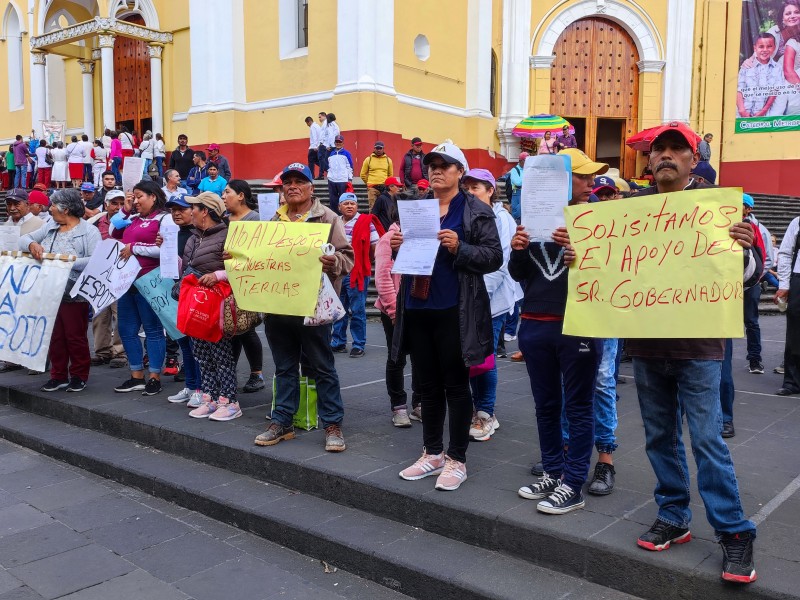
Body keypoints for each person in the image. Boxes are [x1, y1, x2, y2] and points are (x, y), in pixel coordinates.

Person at [626, 122, 759, 583]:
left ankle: (735, 533)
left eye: (674, 149)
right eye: (657, 150)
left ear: (691, 159)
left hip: (699, 346)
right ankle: (674, 514)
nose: (664, 156)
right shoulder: (629, 211)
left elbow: (751, 274)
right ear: (649, 161)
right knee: (659, 437)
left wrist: (743, 252)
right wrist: (580, 259)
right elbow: (610, 269)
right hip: (645, 345)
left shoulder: (720, 209)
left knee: (706, 439)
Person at [394, 142, 502, 491]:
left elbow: (493, 257)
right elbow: (404, 250)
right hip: (418, 305)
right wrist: (396, 244)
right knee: (426, 386)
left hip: (456, 310)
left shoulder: (475, 209)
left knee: (456, 385)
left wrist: (461, 247)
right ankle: (433, 453)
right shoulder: (416, 207)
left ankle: (457, 459)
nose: (436, 171)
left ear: (460, 172)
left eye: (445, 165)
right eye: (431, 166)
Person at [513, 148, 606, 515]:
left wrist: (585, 252)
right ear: (563, 181)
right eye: (584, 177)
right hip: (534, 324)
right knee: (546, 406)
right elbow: (522, 275)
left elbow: (612, 273)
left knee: (579, 408)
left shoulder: (598, 220)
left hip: (578, 326)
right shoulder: (531, 218)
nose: (592, 183)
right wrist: (518, 250)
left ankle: (573, 483)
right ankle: (553, 471)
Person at [254, 163, 354, 453]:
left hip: (313, 307)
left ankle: (332, 424)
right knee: (284, 367)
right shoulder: (272, 221)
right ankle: (282, 421)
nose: (293, 186)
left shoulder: (329, 218)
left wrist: (334, 262)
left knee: (322, 366)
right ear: (282, 188)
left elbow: (348, 257)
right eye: (288, 182)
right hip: (278, 305)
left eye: (300, 181)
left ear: (312, 188)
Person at [21, 189, 101, 392]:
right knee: (54, 335)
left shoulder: (89, 231)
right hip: (49, 289)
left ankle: (78, 375)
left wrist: (64, 262)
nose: (50, 209)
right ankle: (58, 375)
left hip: (74, 293)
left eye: (53, 205)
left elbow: (95, 260)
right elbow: (23, 239)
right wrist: (31, 244)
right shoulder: (51, 226)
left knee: (75, 335)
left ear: (65, 209)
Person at [461, 168, 516, 443]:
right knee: (473, 357)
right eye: (467, 188)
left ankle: (486, 413)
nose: (470, 192)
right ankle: (475, 410)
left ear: (491, 190)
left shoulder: (501, 219)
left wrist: (478, 297)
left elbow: (500, 263)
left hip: (491, 301)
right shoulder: (468, 215)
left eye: (476, 188)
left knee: (488, 358)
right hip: (470, 299)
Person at [177, 192, 242, 421]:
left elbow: (243, 266)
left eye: (194, 207)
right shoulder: (194, 237)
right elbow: (187, 265)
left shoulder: (228, 235)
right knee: (202, 354)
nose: (190, 211)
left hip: (217, 305)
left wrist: (219, 275)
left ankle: (229, 401)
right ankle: (210, 398)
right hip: (197, 303)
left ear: (205, 211)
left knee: (221, 354)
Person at [110, 180, 168, 396]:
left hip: (149, 281)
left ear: (153, 196)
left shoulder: (164, 219)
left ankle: (154, 375)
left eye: (139, 196)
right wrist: (125, 209)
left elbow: (164, 251)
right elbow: (114, 230)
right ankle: (136, 375)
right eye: (133, 197)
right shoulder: (133, 219)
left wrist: (135, 248)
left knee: (152, 330)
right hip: (127, 282)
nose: (136, 201)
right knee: (126, 329)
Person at [374, 209, 421, 426]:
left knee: (422, 358)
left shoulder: (424, 237)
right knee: (397, 358)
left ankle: (419, 403)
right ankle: (399, 406)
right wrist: (394, 311)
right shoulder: (388, 239)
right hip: (395, 310)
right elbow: (383, 277)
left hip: (420, 308)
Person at [157, 193, 202, 403]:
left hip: (195, 294)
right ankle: (191, 385)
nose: (176, 213)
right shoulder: (172, 234)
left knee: (196, 346)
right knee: (183, 341)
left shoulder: (199, 234)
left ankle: (200, 388)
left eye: (181, 209)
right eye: (173, 210)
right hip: (176, 292)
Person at [221, 179, 266, 393]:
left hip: (248, 280)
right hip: (225, 282)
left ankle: (256, 374)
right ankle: (229, 372)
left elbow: (264, 252)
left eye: (227, 192)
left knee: (246, 328)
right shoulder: (223, 220)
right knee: (232, 329)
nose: (223, 196)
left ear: (241, 195)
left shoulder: (256, 219)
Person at [331, 192, 384, 358]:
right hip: (339, 272)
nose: (349, 206)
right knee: (339, 309)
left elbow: (377, 245)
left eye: (352, 203)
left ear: (357, 206)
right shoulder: (335, 222)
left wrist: (366, 261)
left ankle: (358, 344)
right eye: (345, 203)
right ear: (339, 206)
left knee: (357, 310)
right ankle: (338, 342)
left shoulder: (365, 222)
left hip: (357, 272)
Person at [90, 189, 128, 369]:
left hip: (120, 273)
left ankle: (120, 352)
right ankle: (102, 351)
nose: (118, 207)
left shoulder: (128, 221)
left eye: (122, 203)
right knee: (99, 314)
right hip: (99, 273)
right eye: (114, 203)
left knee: (120, 314)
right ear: (106, 204)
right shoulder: (95, 222)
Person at [742, 193, 772, 375]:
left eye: (741, 204)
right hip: (730, 283)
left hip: (752, 283)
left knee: (751, 322)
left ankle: (755, 360)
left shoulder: (759, 229)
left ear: (749, 208)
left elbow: (767, 256)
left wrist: (756, 277)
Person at [737, 34, 787, 118]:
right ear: (755, 48)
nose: (765, 50)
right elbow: (739, 89)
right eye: (761, 47)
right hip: (743, 112)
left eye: (769, 46)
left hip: (763, 114)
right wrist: (742, 110)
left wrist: (763, 111)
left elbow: (775, 91)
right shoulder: (747, 66)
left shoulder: (777, 68)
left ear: (774, 48)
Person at [360, 141, 393, 208]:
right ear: (374, 149)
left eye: (380, 148)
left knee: (385, 207)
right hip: (372, 187)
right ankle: (372, 219)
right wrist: (369, 183)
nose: (378, 150)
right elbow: (362, 174)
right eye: (377, 148)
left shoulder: (388, 160)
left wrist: (387, 185)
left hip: (384, 187)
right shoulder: (368, 159)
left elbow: (390, 175)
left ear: (383, 149)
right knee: (372, 207)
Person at [326, 135, 353, 214]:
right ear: (334, 143)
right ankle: (334, 216)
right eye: (337, 142)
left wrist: (350, 179)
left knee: (343, 199)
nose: (338, 143)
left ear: (343, 143)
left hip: (343, 180)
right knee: (333, 200)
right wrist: (329, 175)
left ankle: (343, 215)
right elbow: (329, 166)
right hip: (332, 180)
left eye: (340, 142)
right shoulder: (331, 154)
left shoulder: (346, 154)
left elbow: (350, 167)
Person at [508, 152, 526, 222]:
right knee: (517, 214)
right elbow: (517, 182)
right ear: (521, 161)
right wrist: (527, 179)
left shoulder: (528, 169)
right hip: (517, 193)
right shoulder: (514, 170)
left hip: (526, 193)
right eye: (526, 161)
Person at [316, 112, 330, 178]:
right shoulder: (324, 124)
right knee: (322, 160)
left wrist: (321, 143)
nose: (319, 119)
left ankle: (326, 172)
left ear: (324, 116)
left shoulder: (326, 123)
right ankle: (321, 174)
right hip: (323, 144)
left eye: (320, 117)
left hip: (324, 144)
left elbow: (324, 135)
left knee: (322, 160)